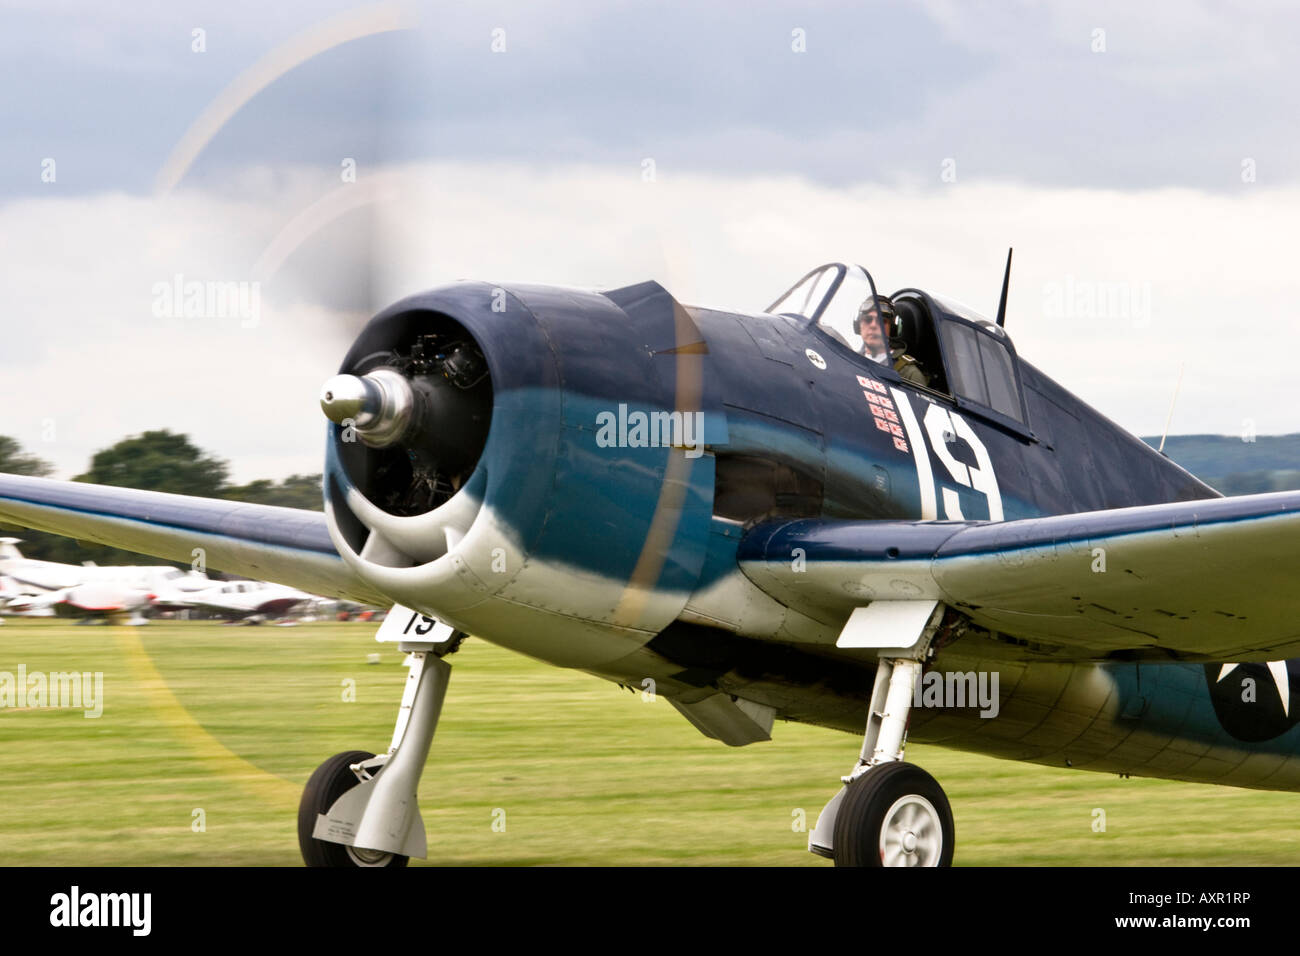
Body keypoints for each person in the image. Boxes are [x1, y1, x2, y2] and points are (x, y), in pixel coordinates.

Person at [856, 295, 929, 386]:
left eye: (882, 321)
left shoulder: (909, 374)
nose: (873, 325)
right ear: (858, 326)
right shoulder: (850, 360)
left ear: (893, 329)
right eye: (868, 320)